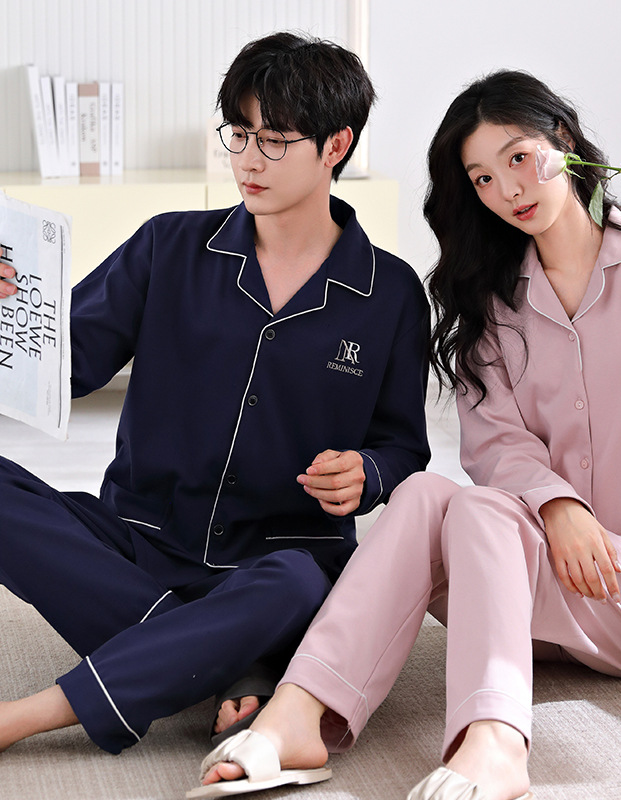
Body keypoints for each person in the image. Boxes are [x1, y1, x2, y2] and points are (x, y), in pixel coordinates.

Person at [189, 70, 621, 800]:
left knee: (478, 508)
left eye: (518, 158)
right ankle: (299, 714)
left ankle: (496, 743)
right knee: (424, 494)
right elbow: (494, 442)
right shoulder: (495, 306)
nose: (508, 190)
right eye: (482, 178)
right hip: (530, 585)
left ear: (563, 141)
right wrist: (557, 505)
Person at [0, 32, 430, 756]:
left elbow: (403, 446)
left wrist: (369, 472)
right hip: (140, 542)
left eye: (275, 141)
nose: (248, 161)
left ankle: (31, 714)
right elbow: (61, 370)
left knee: (297, 586)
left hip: (278, 562)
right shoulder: (166, 247)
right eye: (239, 134)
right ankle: (231, 658)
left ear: (336, 146)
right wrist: (13, 311)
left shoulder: (389, 293)